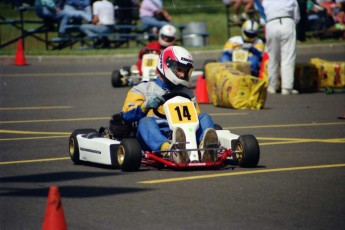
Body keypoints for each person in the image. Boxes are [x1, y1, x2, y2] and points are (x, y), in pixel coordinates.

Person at [121, 46, 219, 163]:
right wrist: (146, 105)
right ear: (167, 65)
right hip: (156, 133)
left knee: (205, 117)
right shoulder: (142, 88)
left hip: (184, 133)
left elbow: (195, 118)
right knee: (145, 122)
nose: (182, 75)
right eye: (179, 70)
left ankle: (206, 149)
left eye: (185, 71)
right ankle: (168, 150)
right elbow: (126, 114)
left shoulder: (187, 93)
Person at [262, 0, 301, 95]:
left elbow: (264, 13)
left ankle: (272, 86)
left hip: (271, 23)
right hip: (287, 22)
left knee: (272, 57)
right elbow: (297, 16)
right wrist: (292, 23)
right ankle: (287, 88)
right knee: (288, 57)